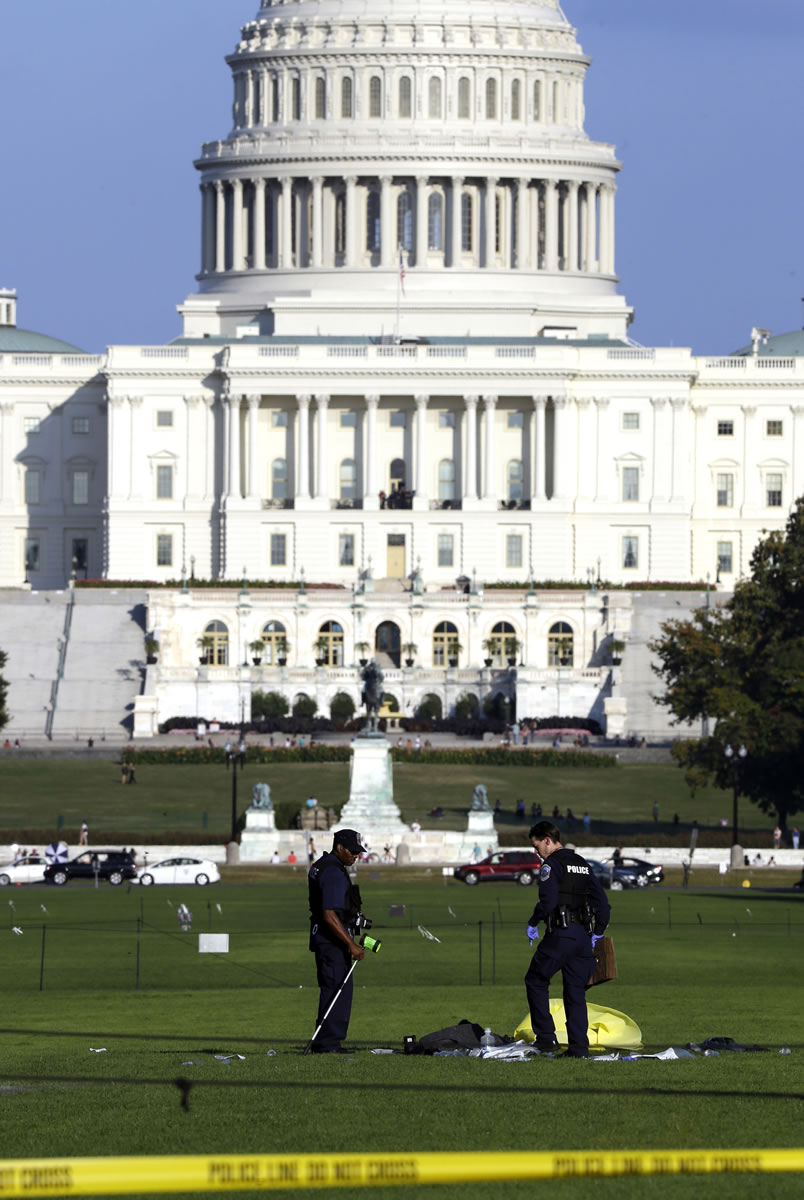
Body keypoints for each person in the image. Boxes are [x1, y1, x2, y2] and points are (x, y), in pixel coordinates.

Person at [524, 821, 611, 1058]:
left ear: (548, 840)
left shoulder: (551, 865)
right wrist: (598, 932)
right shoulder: (583, 864)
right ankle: (578, 1048)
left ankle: (546, 1039)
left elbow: (548, 902)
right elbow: (603, 904)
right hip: (583, 937)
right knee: (575, 992)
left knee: (535, 979)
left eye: (537, 846)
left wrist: (533, 922)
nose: (536, 852)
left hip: (561, 935)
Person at [307, 829, 367, 1053]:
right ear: (339, 847)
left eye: (358, 852)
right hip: (332, 941)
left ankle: (325, 1042)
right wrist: (351, 944)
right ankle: (328, 1043)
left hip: (323, 938)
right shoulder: (333, 872)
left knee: (331, 988)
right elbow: (329, 914)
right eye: (352, 851)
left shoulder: (322, 864)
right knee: (337, 989)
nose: (355, 855)